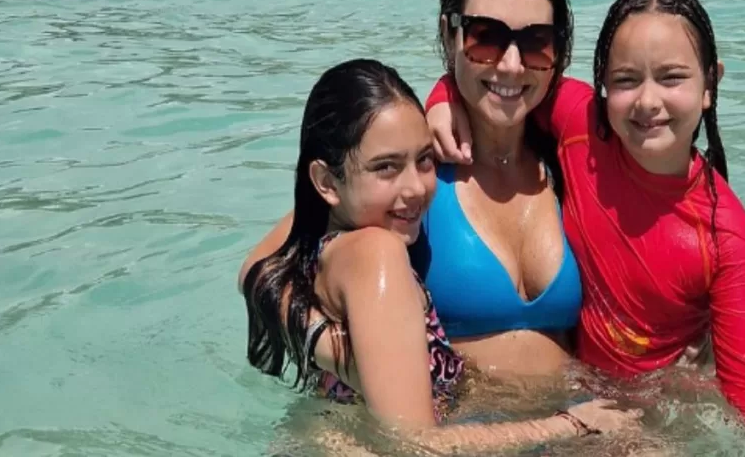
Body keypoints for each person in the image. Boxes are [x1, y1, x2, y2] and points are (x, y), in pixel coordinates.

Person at [426, 0, 745, 457]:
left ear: (710, 84)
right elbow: (503, 82)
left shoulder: (725, 238)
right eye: (626, 80)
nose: (647, 101)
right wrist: (442, 97)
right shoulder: (580, 124)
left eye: (671, 78)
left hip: (648, 416)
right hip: (572, 402)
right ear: (601, 84)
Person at [239, 59, 640, 454]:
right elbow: (413, 444)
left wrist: (322, 342)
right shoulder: (377, 252)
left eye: (424, 159)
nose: (416, 187)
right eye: (386, 167)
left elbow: (255, 272)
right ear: (326, 182)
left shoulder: (328, 245)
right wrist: (569, 425)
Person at [248, 0, 583, 381]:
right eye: (486, 37)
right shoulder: (411, 170)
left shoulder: (570, 161)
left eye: (536, 41)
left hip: (575, 417)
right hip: (443, 424)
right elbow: (261, 271)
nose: (510, 65)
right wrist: (340, 354)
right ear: (448, 35)